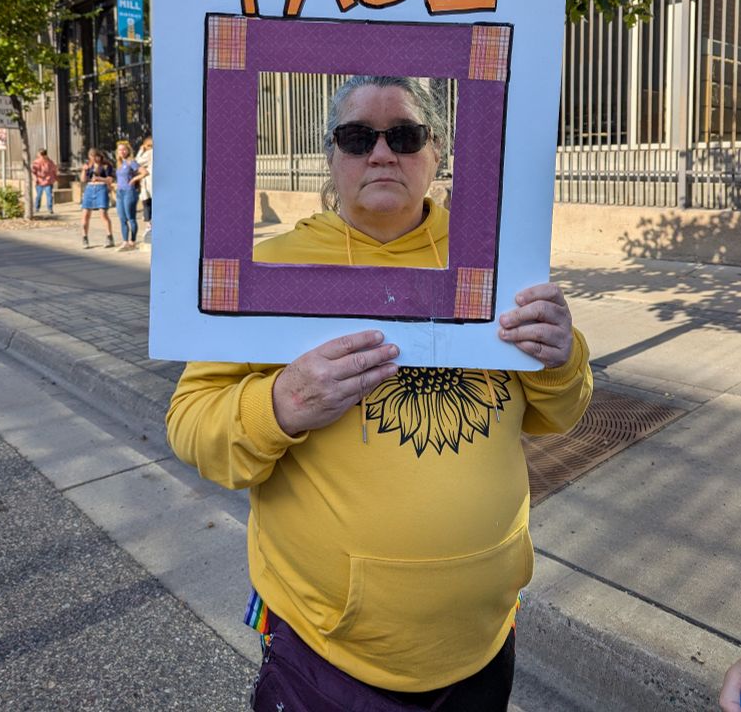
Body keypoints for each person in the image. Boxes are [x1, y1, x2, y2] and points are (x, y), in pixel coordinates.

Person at [166, 75, 593, 712]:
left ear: (437, 152)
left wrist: (563, 357)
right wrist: (281, 401)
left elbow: (561, 412)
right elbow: (191, 424)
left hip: (482, 639)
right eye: (358, 137)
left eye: (405, 135)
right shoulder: (272, 268)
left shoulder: (498, 259)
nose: (382, 153)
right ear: (332, 157)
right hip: (327, 652)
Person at [114, 141, 148, 251]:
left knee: (130, 217)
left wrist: (134, 179)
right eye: (120, 150)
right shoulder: (119, 164)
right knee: (122, 218)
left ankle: (132, 241)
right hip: (120, 192)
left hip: (130, 192)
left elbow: (144, 172)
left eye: (124, 149)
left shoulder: (131, 162)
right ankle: (125, 242)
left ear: (128, 150)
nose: (122, 151)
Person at [80, 148, 115, 249]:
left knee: (103, 213)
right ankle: (85, 238)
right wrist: (84, 170)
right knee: (85, 214)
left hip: (101, 188)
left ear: (100, 156)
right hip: (89, 188)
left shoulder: (106, 166)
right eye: (92, 156)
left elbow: (110, 180)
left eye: (96, 156)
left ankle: (109, 237)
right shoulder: (89, 166)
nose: (95, 159)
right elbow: (83, 179)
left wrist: (99, 178)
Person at [135, 136, 153, 236]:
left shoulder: (149, 153)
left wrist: (141, 150)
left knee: (147, 204)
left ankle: (148, 226)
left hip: (149, 183)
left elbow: (137, 162)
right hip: (151, 182)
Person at [31, 148, 58, 214]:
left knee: (47, 195)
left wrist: (55, 177)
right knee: (41, 195)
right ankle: (38, 208)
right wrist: (35, 179)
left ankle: (48, 208)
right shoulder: (37, 162)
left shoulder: (49, 162)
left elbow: (54, 169)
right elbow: (33, 172)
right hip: (41, 181)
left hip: (46, 181)